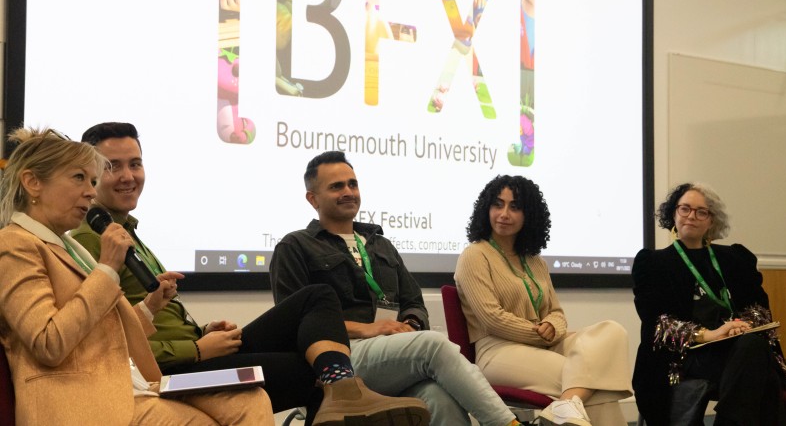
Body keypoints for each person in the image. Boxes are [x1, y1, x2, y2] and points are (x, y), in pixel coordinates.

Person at [71, 122, 429, 426]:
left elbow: (146, 315)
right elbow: (106, 341)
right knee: (308, 371)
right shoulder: (92, 240)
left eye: (135, 163)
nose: (128, 176)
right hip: (171, 371)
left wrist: (203, 331)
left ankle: (344, 388)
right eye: (112, 166)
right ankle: (344, 391)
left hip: (195, 351)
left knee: (316, 298)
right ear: (89, 174)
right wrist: (195, 348)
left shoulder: (126, 231)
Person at [0, 127, 271, 425]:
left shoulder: (69, 246)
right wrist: (106, 269)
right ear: (32, 182)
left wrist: (149, 307)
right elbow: (48, 343)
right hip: (79, 400)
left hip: (130, 384)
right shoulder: (14, 244)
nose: (91, 191)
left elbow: (102, 330)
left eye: (92, 181)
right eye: (79, 178)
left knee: (250, 397)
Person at [270, 150, 524, 426]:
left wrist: (410, 326)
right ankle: (507, 424)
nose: (348, 192)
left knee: (439, 397)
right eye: (336, 186)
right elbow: (295, 325)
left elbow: (413, 301)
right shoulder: (295, 247)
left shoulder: (381, 245)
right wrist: (368, 328)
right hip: (338, 358)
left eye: (352, 184)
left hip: (392, 353)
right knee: (434, 346)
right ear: (312, 198)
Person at [455, 175, 632, 426]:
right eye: (498, 204)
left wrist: (553, 326)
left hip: (543, 345)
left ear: (529, 215)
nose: (504, 213)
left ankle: (566, 407)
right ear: (486, 209)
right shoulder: (474, 255)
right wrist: (539, 332)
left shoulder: (535, 261)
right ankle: (568, 405)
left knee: (612, 331)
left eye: (514, 207)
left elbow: (556, 312)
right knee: (592, 380)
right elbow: (491, 318)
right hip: (497, 351)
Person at [632, 182, 786, 426]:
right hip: (687, 354)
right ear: (673, 214)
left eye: (701, 212)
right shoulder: (653, 263)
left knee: (753, 345)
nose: (692, 216)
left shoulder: (734, 258)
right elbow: (658, 323)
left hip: (737, 348)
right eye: (685, 209)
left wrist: (741, 326)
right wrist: (710, 334)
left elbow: (760, 308)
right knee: (763, 373)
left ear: (711, 221)